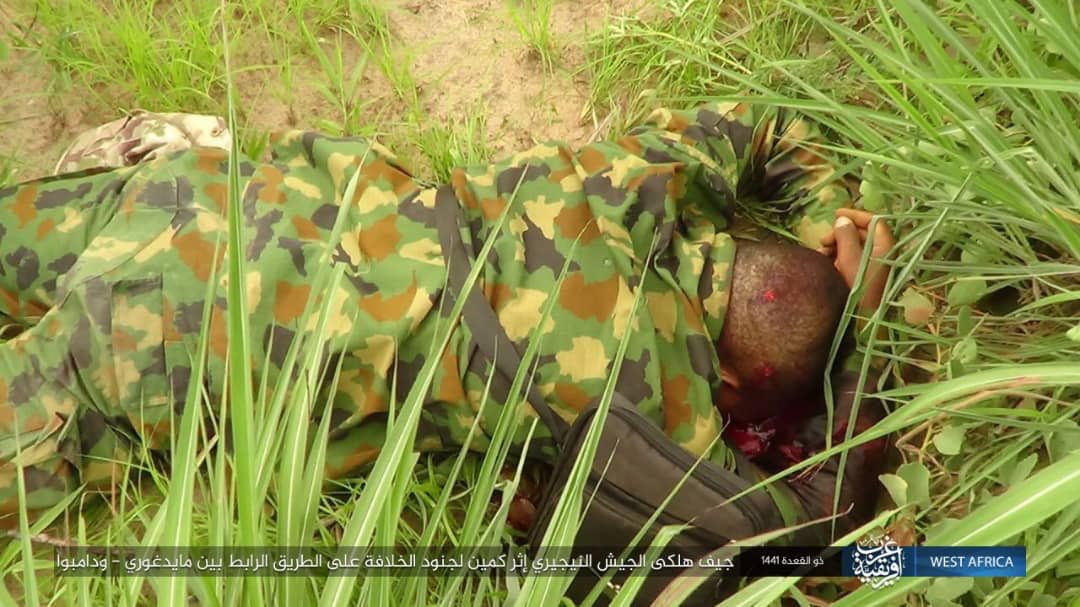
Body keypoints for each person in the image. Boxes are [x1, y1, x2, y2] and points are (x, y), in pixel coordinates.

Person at [0, 103, 892, 534]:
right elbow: (809, 531)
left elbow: (763, 125)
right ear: (735, 378)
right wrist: (867, 347)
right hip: (155, 347)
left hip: (212, 201)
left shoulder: (644, 178)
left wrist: (833, 221)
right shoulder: (660, 405)